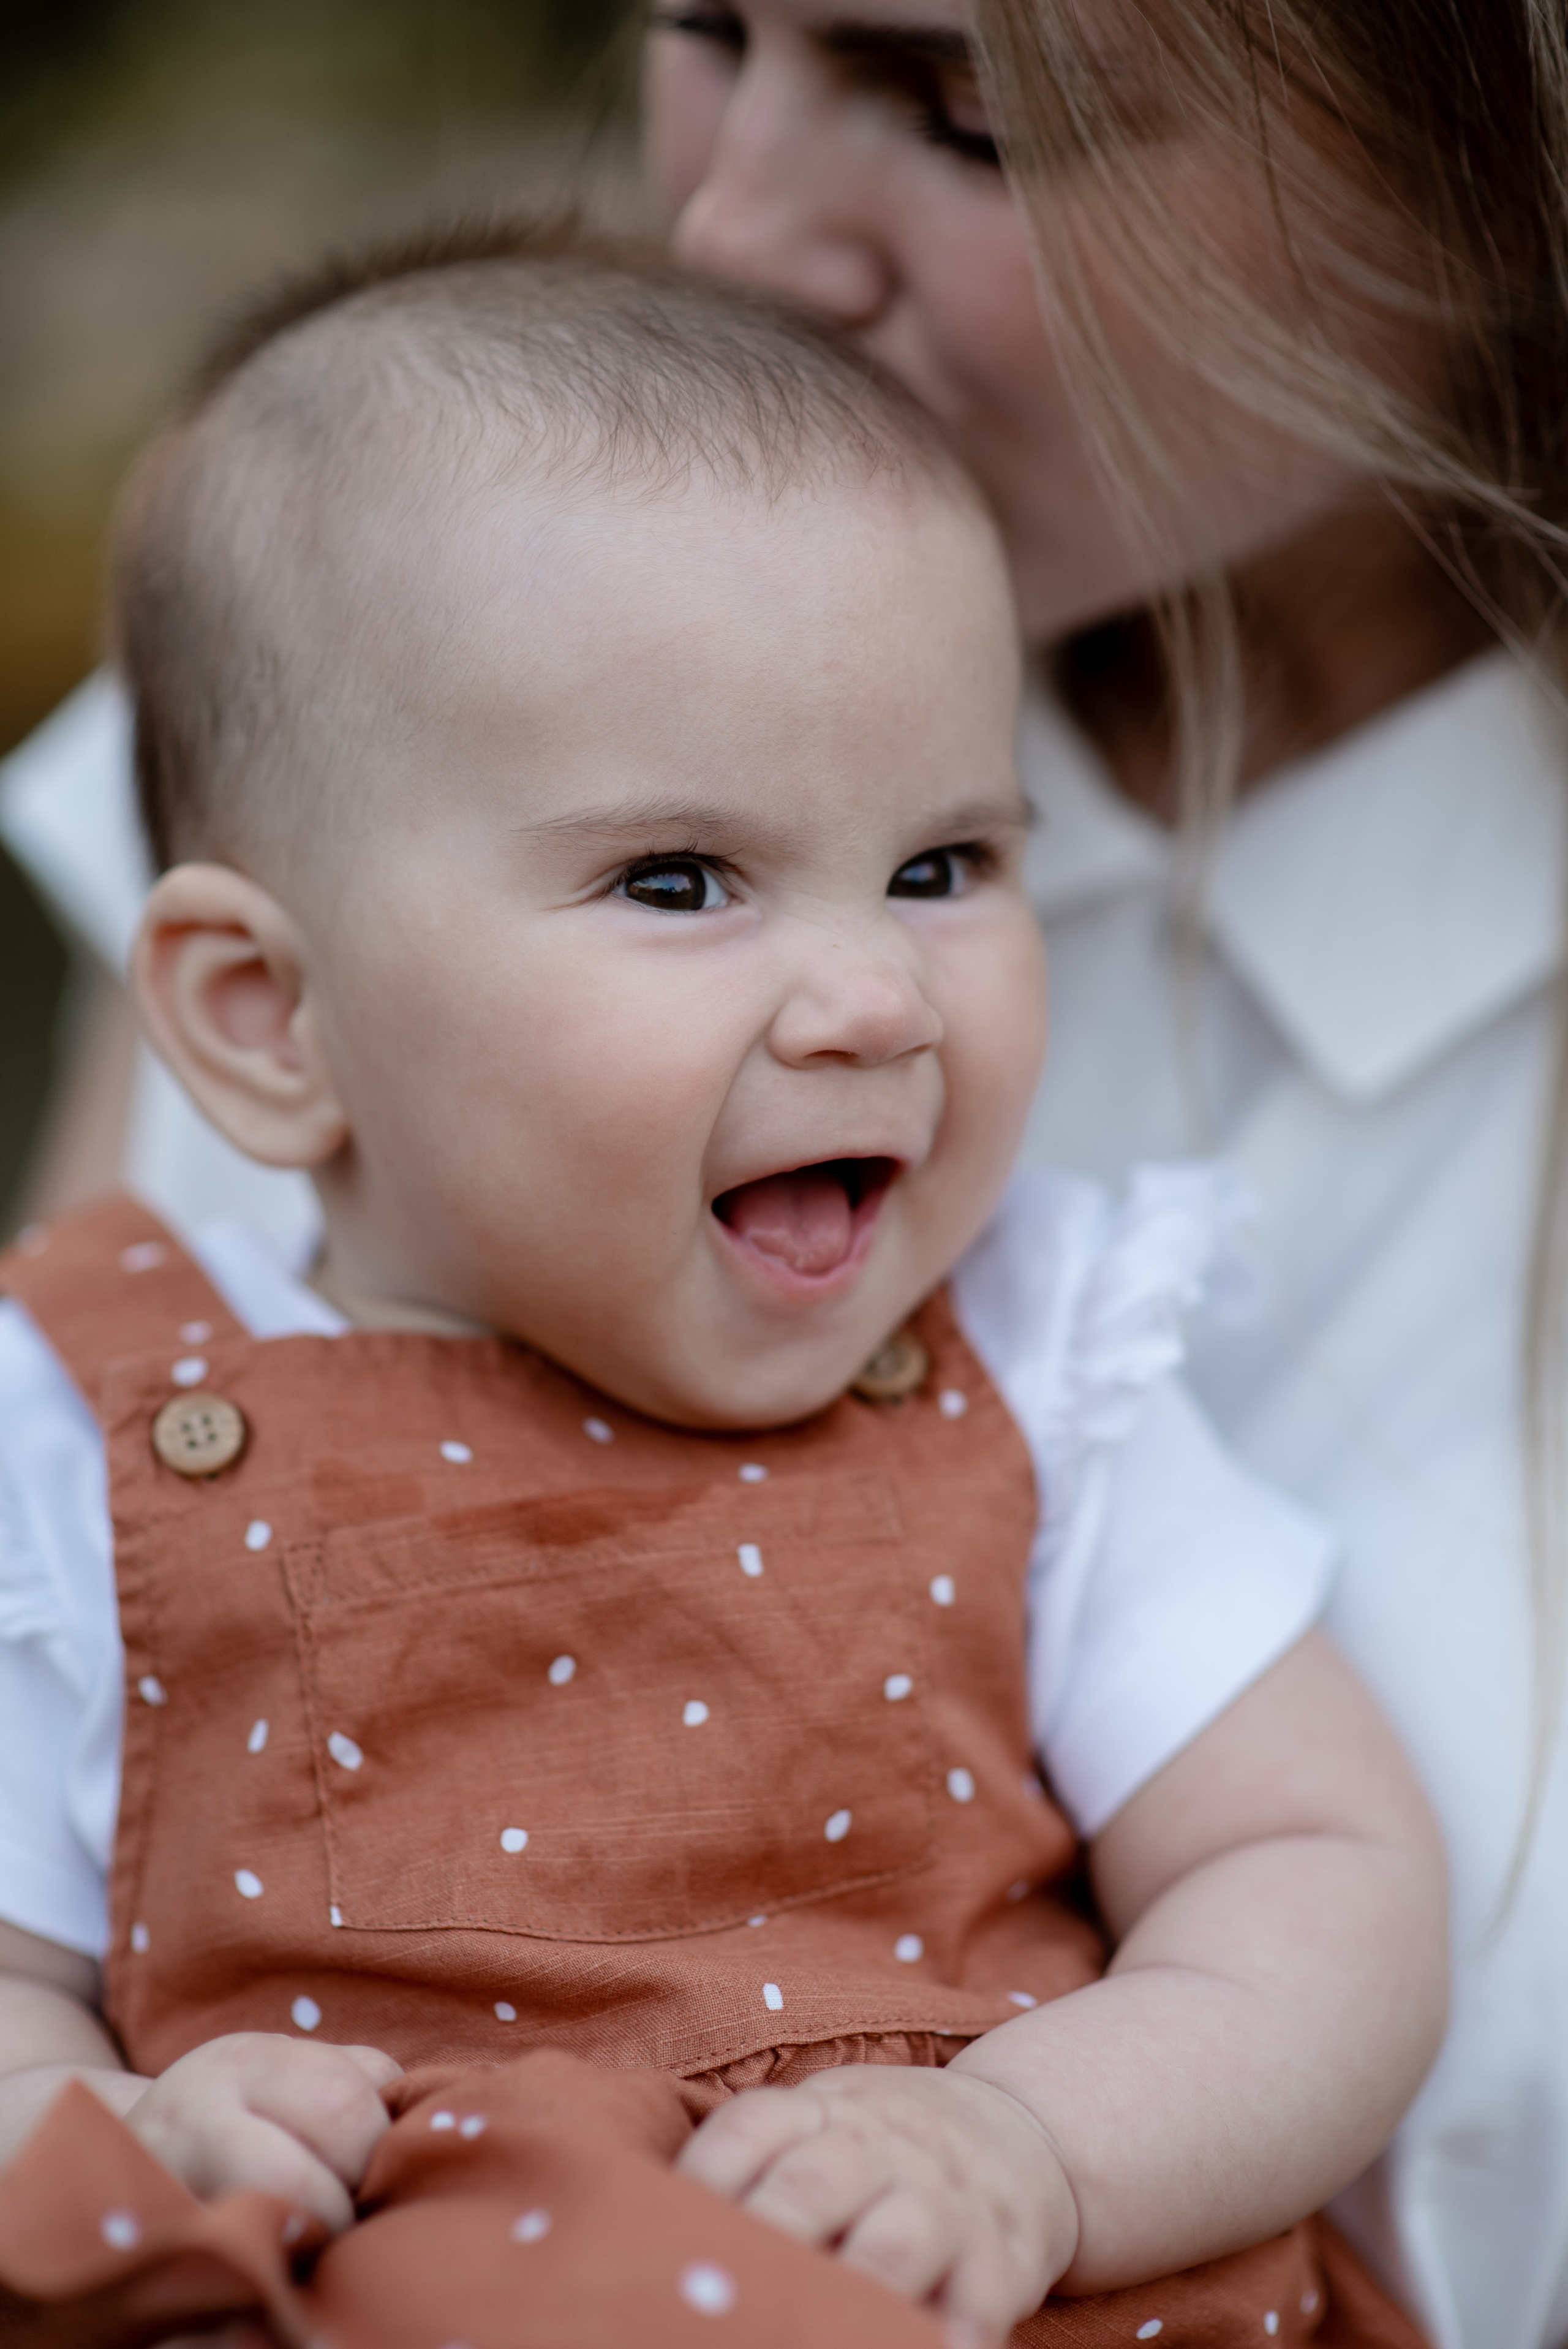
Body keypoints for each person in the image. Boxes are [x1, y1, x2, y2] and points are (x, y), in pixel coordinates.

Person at [2, 7, 1558, 2344]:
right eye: (675, 886)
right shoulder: (97, 1404)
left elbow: (1324, 1880)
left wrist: (1037, 2134)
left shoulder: (1045, 1363)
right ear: (265, 1015)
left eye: (948, 862)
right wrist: (89, 2127)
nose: (870, 1003)